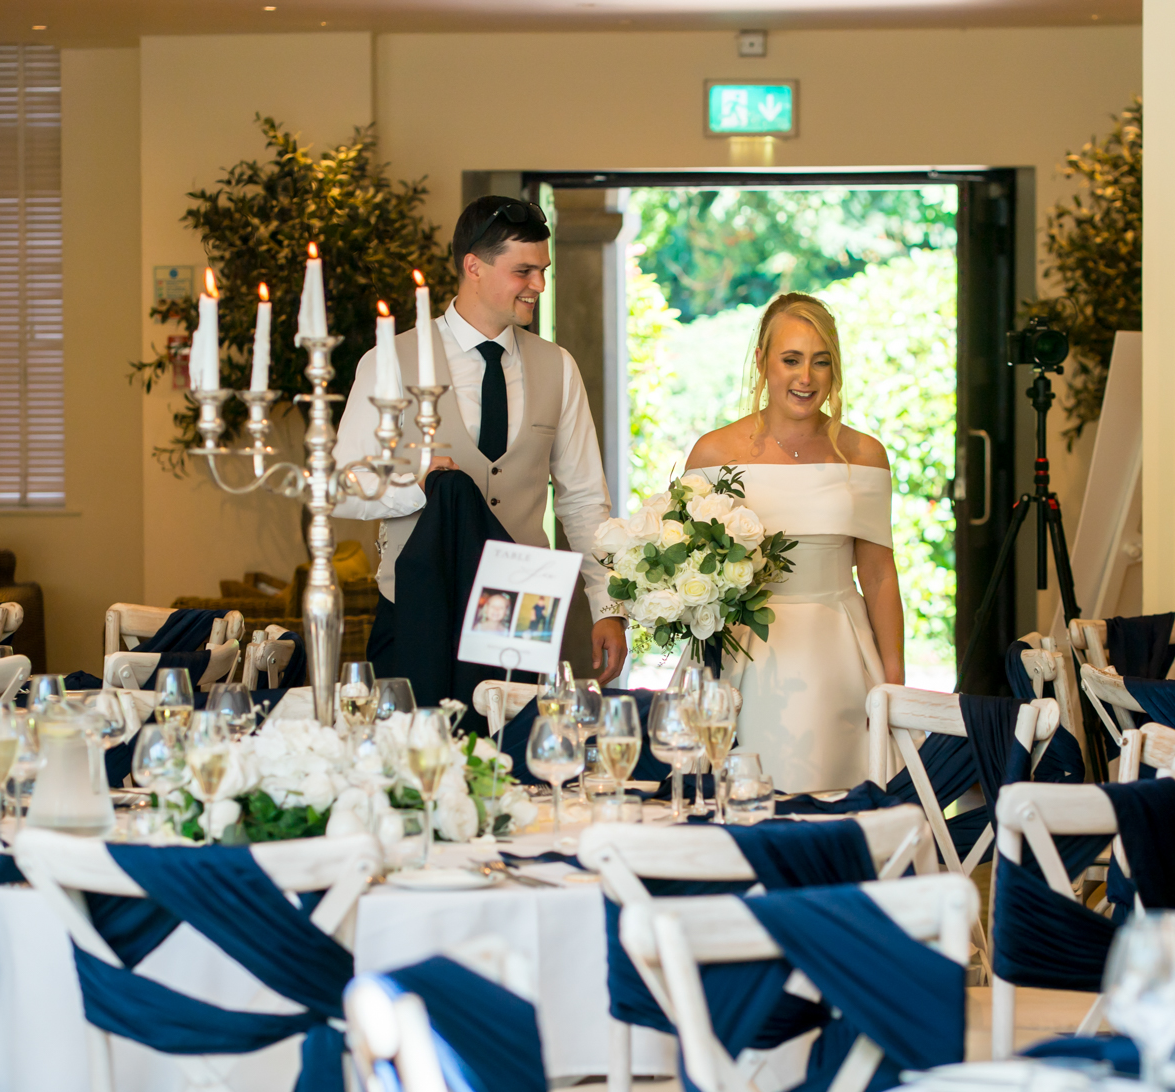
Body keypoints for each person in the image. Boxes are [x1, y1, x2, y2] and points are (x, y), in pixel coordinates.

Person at [333, 195, 627, 678]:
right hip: (419, 594)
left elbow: (583, 499)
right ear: (473, 266)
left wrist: (607, 606)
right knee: (416, 745)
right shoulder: (390, 360)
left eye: (543, 270)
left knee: (509, 743)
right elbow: (342, 486)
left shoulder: (559, 366)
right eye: (524, 271)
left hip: (522, 601)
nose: (540, 285)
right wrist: (415, 487)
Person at [682, 292, 904, 793]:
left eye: (821, 362)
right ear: (762, 362)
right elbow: (685, 561)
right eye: (791, 360)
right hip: (739, 649)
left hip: (837, 653)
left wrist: (893, 683)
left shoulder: (865, 456)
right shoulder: (713, 453)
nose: (806, 378)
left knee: (835, 794)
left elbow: (878, 575)